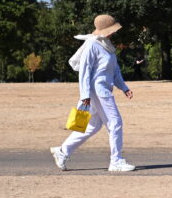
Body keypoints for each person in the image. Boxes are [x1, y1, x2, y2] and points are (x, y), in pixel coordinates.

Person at [50, 15, 135, 172]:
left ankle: (62, 151)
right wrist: (85, 96)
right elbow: (84, 71)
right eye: (112, 30)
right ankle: (116, 161)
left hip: (103, 90)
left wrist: (124, 87)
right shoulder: (92, 44)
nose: (114, 33)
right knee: (115, 123)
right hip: (98, 91)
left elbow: (114, 70)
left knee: (92, 127)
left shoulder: (107, 45)